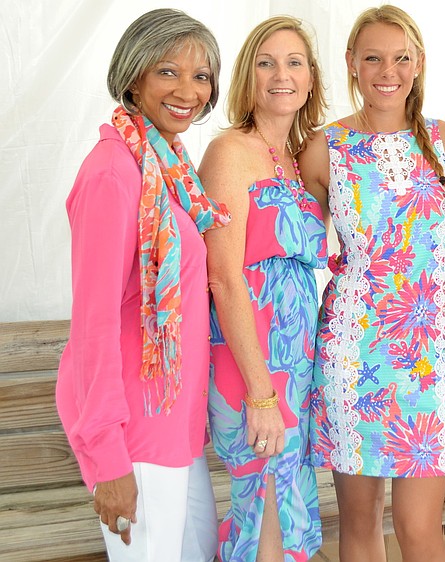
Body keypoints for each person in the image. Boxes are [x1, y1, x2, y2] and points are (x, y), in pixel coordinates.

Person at [55, 8, 230, 561]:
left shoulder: (167, 167)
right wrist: (108, 460)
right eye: (167, 72)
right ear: (134, 76)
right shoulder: (112, 171)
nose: (188, 90)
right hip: (132, 430)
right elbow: (94, 325)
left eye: (200, 76)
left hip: (172, 423)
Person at [299, 5, 445, 561]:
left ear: (418, 64)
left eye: (400, 58)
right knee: (361, 525)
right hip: (354, 352)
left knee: (421, 530)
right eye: (372, 57)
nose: (386, 70)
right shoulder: (325, 147)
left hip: (429, 358)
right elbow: (298, 251)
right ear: (351, 63)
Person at [197, 16, 328, 562]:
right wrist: (260, 393)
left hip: (293, 360)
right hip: (251, 362)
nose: (282, 74)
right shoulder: (230, 152)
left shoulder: (297, 163)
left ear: (311, 78)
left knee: (285, 494)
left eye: (294, 62)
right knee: (262, 501)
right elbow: (224, 278)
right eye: (266, 62)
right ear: (247, 77)